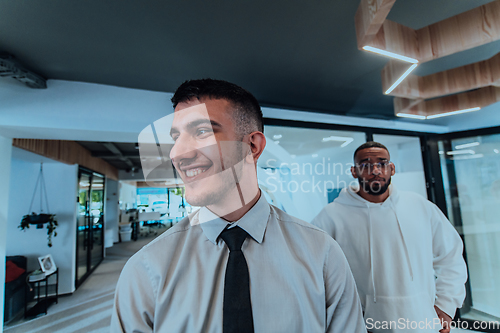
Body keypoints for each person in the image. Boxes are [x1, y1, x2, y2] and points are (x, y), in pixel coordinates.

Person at [111, 79, 366, 332]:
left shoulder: (322, 254)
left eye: (202, 132)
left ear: (252, 146)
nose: (178, 153)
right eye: (176, 137)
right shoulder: (147, 268)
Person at [312, 141, 468, 333]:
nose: (375, 170)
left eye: (382, 163)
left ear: (392, 168)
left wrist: (445, 306)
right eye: (365, 164)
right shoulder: (331, 217)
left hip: (422, 322)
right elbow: (314, 271)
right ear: (354, 172)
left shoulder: (421, 207)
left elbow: (451, 257)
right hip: (366, 326)